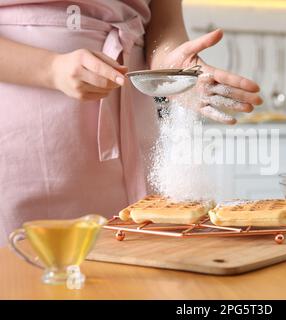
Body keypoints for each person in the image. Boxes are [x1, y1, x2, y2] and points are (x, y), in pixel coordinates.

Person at [0, 0, 262, 245]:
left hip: (132, 122)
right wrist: (51, 68)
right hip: (28, 124)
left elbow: (164, 25)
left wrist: (174, 69)